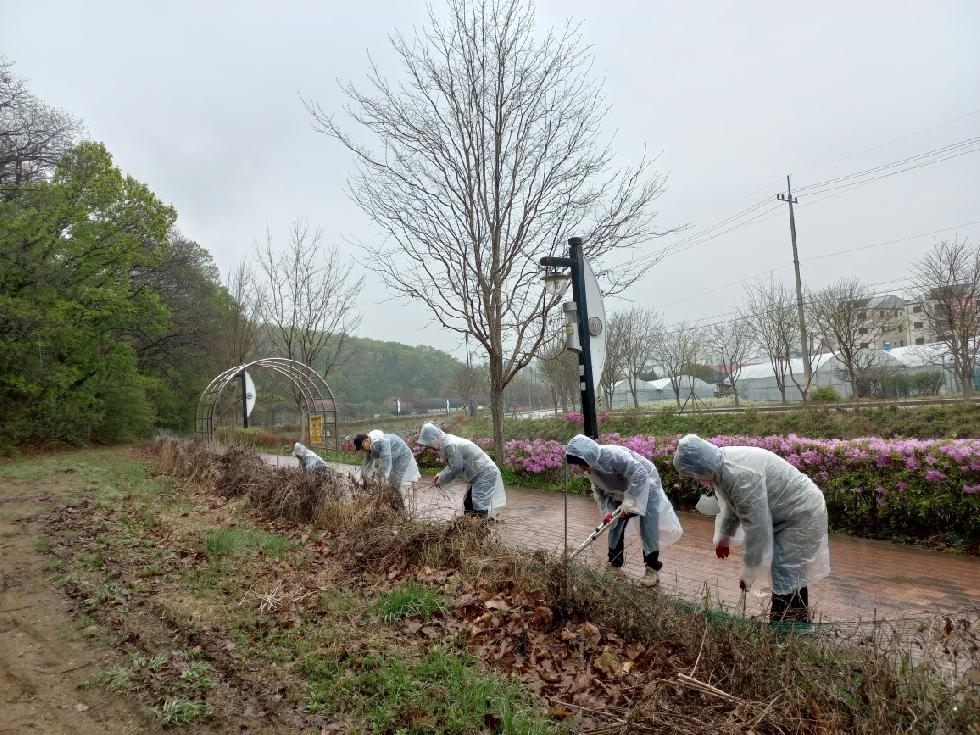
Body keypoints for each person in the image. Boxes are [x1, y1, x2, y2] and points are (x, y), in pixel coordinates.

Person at [672, 433, 831, 623]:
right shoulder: (721, 467)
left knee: (787, 571)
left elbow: (757, 528)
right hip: (785, 514)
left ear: (701, 466)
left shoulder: (737, 473)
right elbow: (733, 508)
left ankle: (784, 628)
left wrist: (749, 572)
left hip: (801, 512)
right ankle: (797, 624)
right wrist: (724, 537)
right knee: (788, 572)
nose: (698, 478)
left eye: (695, 474)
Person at [566, 434, 683, 587]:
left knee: (648, 528)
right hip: (619, 493)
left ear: (588, 456)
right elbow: (599, 490)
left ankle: (652, 570)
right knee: (614, 528)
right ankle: (614, 566)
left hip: (645, 487)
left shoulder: (615, 456)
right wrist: (607, 511)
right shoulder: (589, 467)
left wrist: (630, 500)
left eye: (580, 464)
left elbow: (640, 474)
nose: (580, 468)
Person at [416, 422, 506, 517]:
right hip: (479, 474)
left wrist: (442, 479)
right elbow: (454, 463)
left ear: (437, 437)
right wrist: (441, 474)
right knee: (469, 502)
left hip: (485, 474)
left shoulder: (450, 445)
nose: (430, 447)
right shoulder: (446, 441)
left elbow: (456, 468)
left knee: (479, 506)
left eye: (429, 443)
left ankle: (479, 528)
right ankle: (469, 527)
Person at [353, 430, 421, 491]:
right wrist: (364, 478)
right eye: (360, 448)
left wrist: (379, 476)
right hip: (393, 456)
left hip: (402, 455)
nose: (362, 449)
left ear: (366, 440)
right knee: (391, 480)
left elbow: (386, 459)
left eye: (362, 447)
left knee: (397, 480)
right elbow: (366, 463)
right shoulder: (369, 446)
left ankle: (399, 498)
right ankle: (393, 497)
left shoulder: (381, 441)